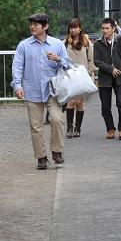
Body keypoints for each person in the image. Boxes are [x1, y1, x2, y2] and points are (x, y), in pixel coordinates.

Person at [11, 13, 70, 170]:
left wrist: (58, 59)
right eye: (31, 24)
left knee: (57, 120)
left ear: (45, 26)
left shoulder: (57, 44)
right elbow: (17, 66)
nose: (32, 27)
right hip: (31, 89)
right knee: (35, 126)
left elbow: (67, 66)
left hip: (52, 90)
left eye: (36, 24)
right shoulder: (24, 45)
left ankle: (57, 152)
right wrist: (17, 85)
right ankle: (41, 157)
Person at [93, 17, 121, 140]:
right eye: (103, 28)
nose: (105, 31)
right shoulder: (98, 43)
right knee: (105, 106)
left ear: (113, 29)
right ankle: (110, 128)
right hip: (105, 79)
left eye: (107, 28)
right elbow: (97, 61)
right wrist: (110, 69)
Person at [64, 18, 95, 138]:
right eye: (71, 27)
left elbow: (91, 59)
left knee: (80, 102)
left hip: (83, 75)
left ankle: (78, 128)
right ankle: (69, 128)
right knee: (71, 101)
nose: (73, 29)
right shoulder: (65, 42)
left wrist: (92, 75)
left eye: (75, 27)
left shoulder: (86, 42)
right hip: (70, 75)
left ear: (80, 28)